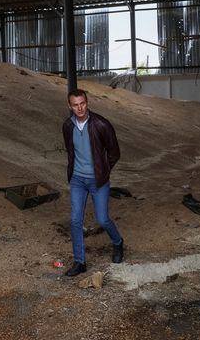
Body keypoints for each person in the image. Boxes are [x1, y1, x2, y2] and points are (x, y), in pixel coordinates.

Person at [62, 88, 124, 276]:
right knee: (74, 220)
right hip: (78, 180)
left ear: (87, 102)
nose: (80, 108)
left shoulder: (101, 124)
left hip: (98, 180)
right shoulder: (68, 126)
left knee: (103, 219)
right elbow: (70, 151)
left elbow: (114, 152)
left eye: (82, 103)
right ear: (70, 106)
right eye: (75, 105)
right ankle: (80, 262)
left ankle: (118, 243)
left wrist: (103, 171)